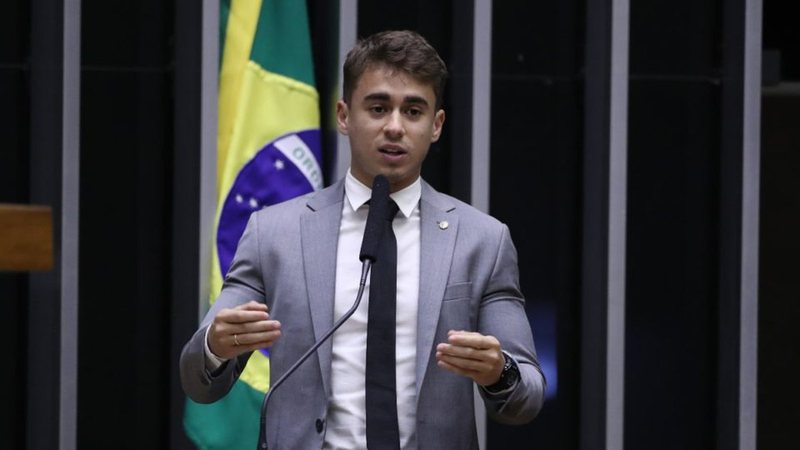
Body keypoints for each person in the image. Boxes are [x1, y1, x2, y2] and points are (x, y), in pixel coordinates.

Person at [181, 30, 545, 449]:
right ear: (344, 115)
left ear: (436, 125)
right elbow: (198, 381)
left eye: (413, 111)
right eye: (378, 108)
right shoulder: (274, 234)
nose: (394, 127)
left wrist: (499, 372)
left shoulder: (482, 241)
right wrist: (216, 346)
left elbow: (527, 397)